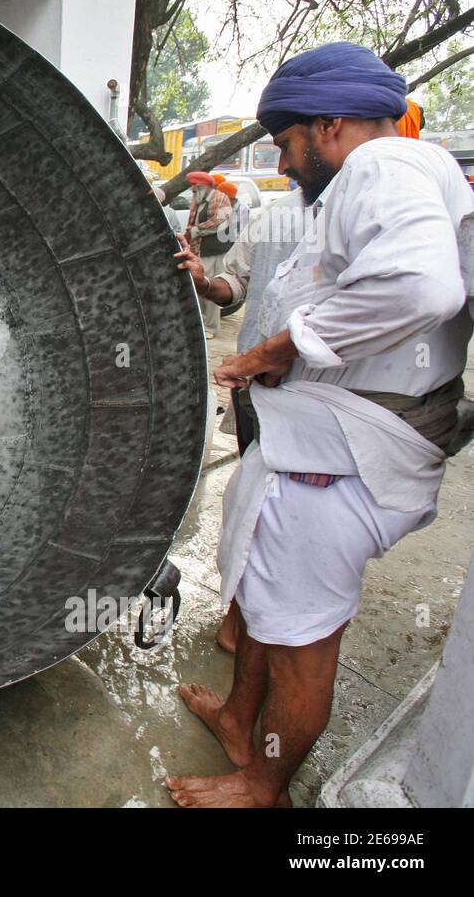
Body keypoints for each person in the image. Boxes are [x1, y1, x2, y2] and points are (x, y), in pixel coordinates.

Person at [165, 42, 474, 808]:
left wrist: (278, 348)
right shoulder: (398, 177)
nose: (284, 159)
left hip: (349, 458)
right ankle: (242, 720)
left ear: (329, 125)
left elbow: (420, 287)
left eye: (287, 142)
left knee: (302, 642)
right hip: (319, 442)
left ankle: (263, 782)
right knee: (267, 610)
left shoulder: (380, 165)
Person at [175, 191, 307, 651]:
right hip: (259, 390)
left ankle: (286, 632)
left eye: (288, 146)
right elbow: (235, 283)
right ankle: (241, 619)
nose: (285, 162)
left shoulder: (369, 212)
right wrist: (204, 281)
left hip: (318, 401)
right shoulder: (281, 213)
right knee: (253, 502)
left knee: (299, 519)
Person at [180, 171, 234, 338]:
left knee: (210, 286)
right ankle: (202, 324)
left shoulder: (220, 198)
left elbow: (220, 221)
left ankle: (211, 327)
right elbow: (191, 224)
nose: (192, 190)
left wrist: (196, 230)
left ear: (204, 186)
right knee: (199, 288)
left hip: (215, 250)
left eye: (195, 187)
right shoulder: (198, 201)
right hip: (200, 250)